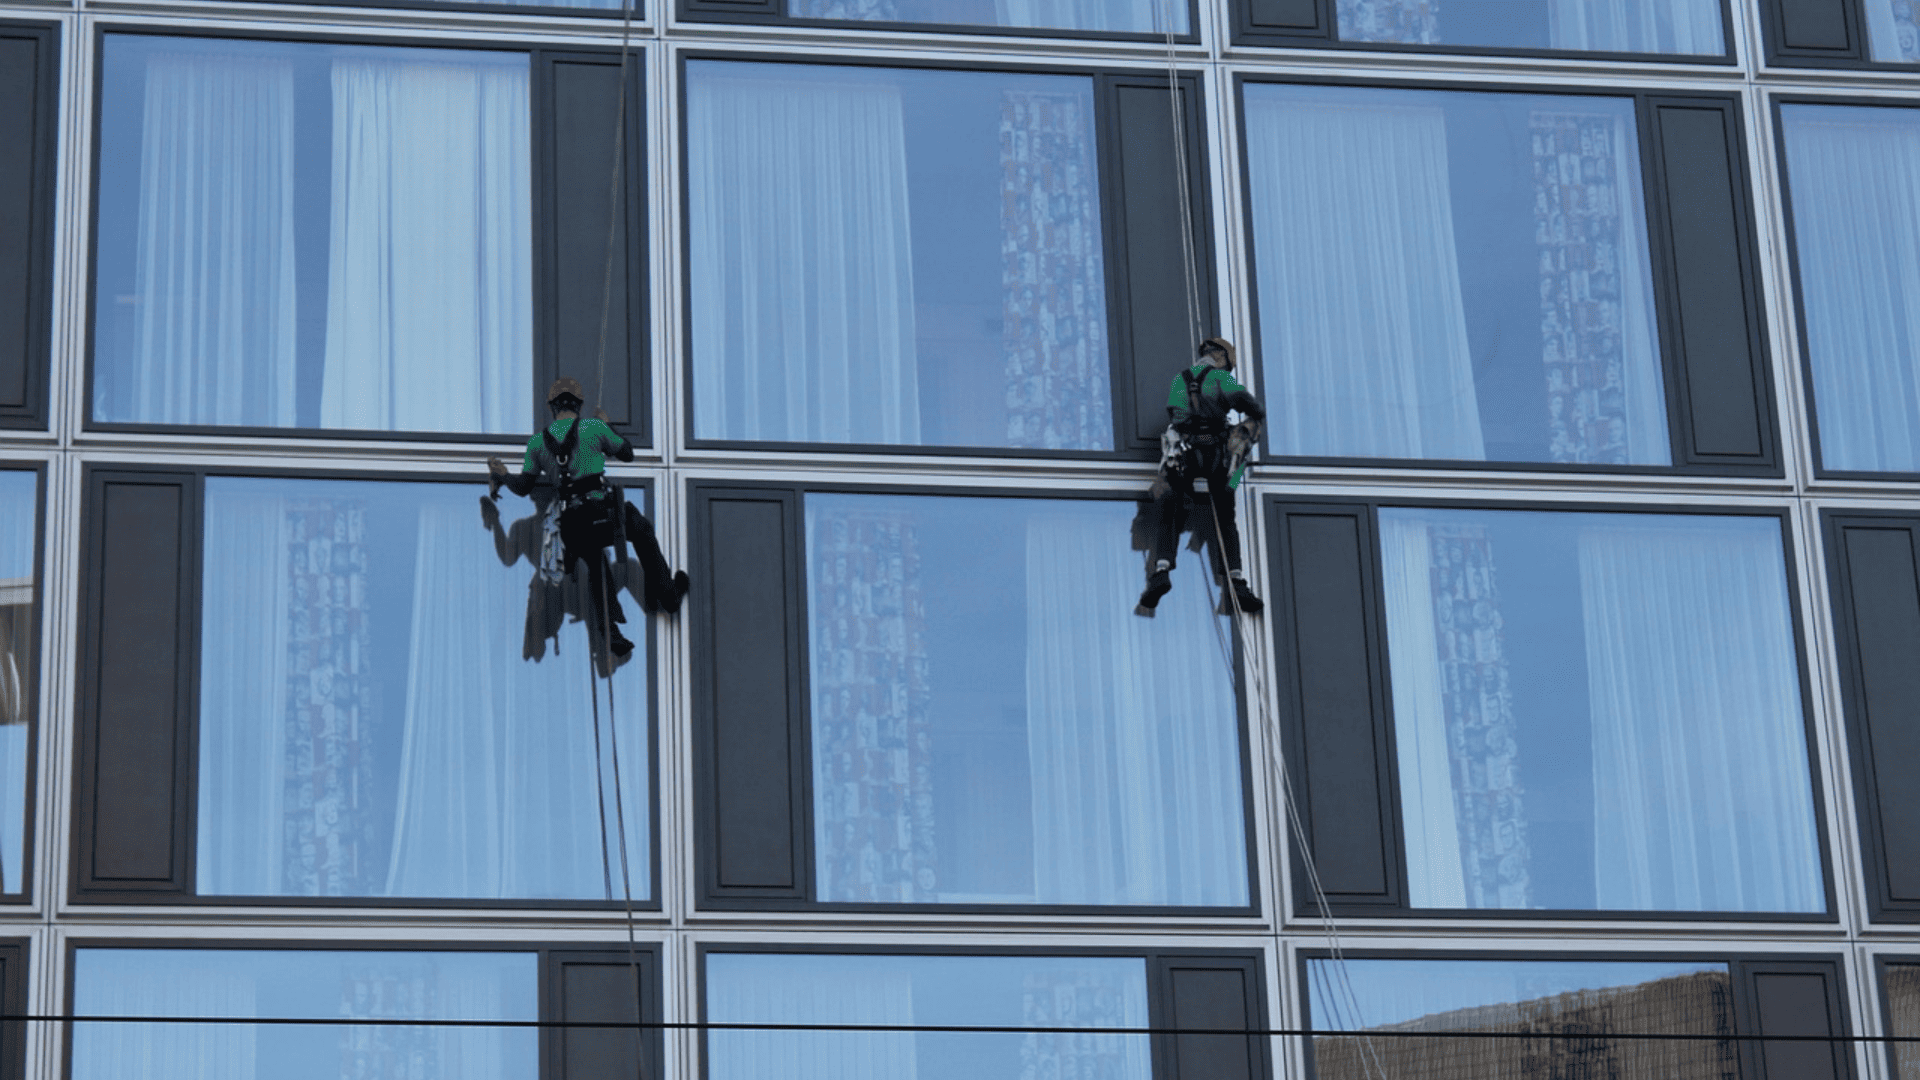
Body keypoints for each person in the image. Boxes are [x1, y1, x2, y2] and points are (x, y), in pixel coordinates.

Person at [489, 378, 690, 663]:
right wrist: (608, 425)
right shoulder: (593, 427)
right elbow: (628, 454)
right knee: (640, 529)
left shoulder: (537, 443)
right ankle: (668, 595)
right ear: (579, 405)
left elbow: (523, 487)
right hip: (603, 512)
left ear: (552, 407)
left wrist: (503, 475)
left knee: (596, 562)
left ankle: (610, 633)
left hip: (571, 524)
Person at [1138, 337, 1266, 617]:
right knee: (1225, 515)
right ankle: (1236, 582)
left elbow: (1175, 413)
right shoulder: (1221, 378)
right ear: (1222, 357)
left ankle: (1160, 571)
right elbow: (1250, 405)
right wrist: (1247, 422)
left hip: (1184, 454)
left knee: (1170, 510)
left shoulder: (1180, 380)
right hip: (1217, 455)